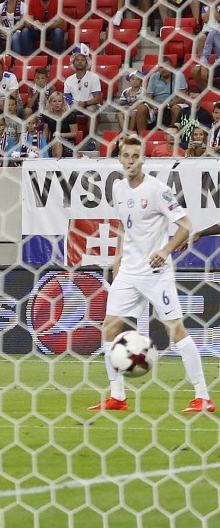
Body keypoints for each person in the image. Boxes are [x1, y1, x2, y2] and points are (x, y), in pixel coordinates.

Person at [89, 135, 214, 414]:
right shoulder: (119, 189)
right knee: (109, 327)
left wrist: (166, 250)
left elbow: (185, 225)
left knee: (175, 330)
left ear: (143, 158)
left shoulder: (157, 190)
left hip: (156, 272)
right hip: (129, 271)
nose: (131, 161)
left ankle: (202, 396)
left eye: (135, 156)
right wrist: (118, 258)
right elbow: (125, 226)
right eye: (126, 156)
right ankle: (117, 396)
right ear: (119, 158)